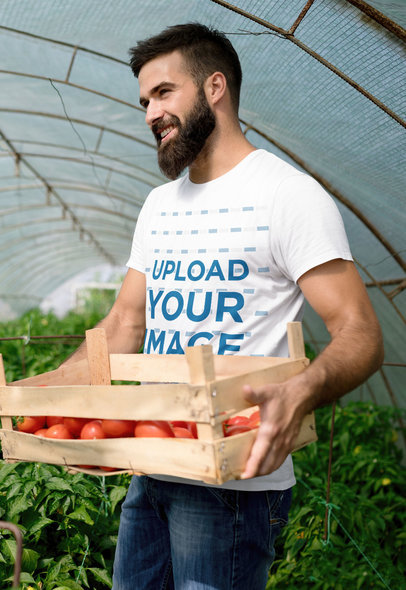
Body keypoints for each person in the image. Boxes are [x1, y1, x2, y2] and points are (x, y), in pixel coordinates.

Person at [64, 23, 383, 590]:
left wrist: (302, 388)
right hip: (153, 466)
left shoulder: (288, 195)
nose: (149, 114)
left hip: (232, 486)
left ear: (215, 87)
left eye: (164, 93)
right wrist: (51, 396)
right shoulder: (159, 206)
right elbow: (126, 321)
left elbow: (360, 332)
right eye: (143, 101)